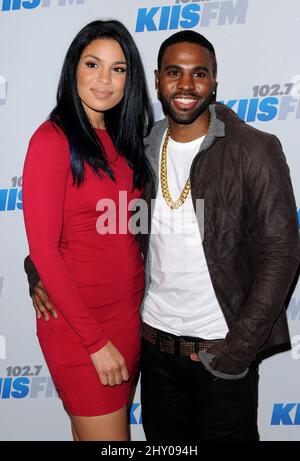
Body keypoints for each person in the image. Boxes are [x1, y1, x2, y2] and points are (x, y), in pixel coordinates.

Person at [25, 31, 299, 441]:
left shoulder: (251, 149)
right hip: (154, 350)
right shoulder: (143, 145)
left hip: (221, 354)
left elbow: (282, 252)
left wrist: (239, 349)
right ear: (156, 80)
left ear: (214, 81)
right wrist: (36, 266)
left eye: (198, 74)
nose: (186, 86)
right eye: (174, 73)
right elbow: (94, 222)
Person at [22, 20, 153, 441]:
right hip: (83, 332)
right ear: (73, 69)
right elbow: (44, 250)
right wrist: (95, 343)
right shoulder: (52, 139)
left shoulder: (125, 140)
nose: (105, 79)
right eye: (93, 64)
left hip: (126, 323)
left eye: (118, 69)